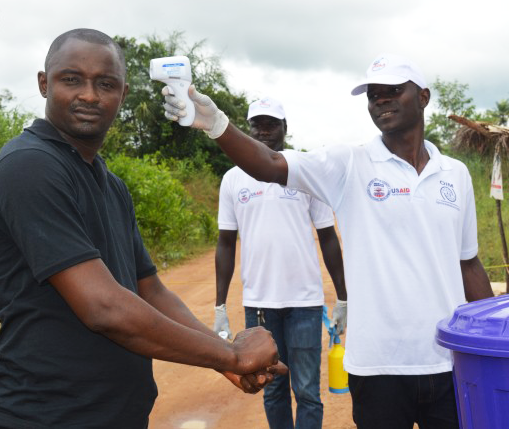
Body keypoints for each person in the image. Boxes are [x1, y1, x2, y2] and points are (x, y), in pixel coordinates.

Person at [162, 53, 495, 429]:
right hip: (377, 368)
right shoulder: (348, 165)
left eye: (393, 91)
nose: (381, 100)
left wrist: (498, 339)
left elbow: (468, 264)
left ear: (423, 97)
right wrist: (217, 125)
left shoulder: (457, 175)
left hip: (449, 362)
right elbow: (270, 164)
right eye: (373, 94)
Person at [0, 28, 287, 429]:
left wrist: (223, 357)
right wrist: (232, 356)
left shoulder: (110, 184)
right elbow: (104, 308)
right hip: (45, 416)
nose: (89, 95)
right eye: (72, 79)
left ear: (122, 95)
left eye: (105, 84)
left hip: (117, 414)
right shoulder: (29, 167)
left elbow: (149, 290)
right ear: (44, 84)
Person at [213, 97, 346, 429]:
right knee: (270, 390)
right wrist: (218, 305)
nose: (263, 130)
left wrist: (343, 296)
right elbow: (226, 243)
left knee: (307, 393)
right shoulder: (233, 179)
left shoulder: (303, 172)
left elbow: (328, 236)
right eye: (257, 123)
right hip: (259, 305)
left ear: (285, 129)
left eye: (271, 124)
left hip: (305, 303)